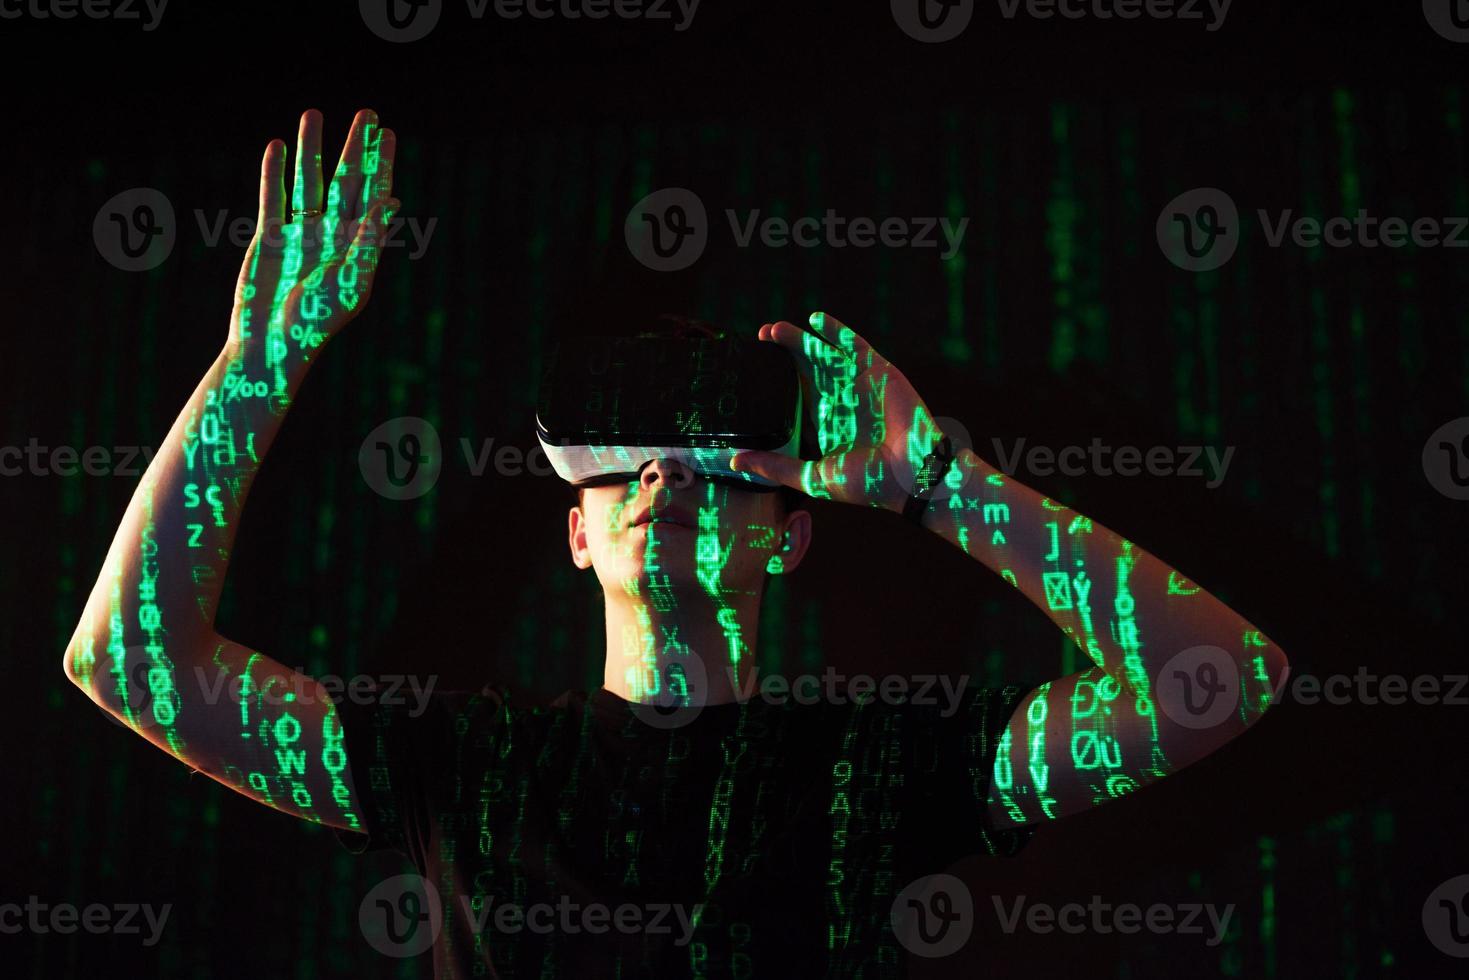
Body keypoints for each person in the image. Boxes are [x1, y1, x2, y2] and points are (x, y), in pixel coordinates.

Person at [64, 109, 1289, 977]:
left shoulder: (875, 772)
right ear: (576, 532)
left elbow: (1222, 680)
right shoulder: (463, 767)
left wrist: (938, 484)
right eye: (625, 458)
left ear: (786, 536)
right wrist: (256, 366)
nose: (662, 472)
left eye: (709, 456)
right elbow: (128, 659)